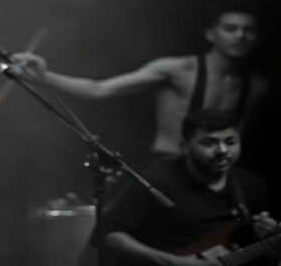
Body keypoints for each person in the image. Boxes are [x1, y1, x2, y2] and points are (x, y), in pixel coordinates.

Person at [1, 1, 268, 156]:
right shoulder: (177, 69)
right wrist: (43, 77)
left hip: (216, 175)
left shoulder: (257, 87)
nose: (240, 36)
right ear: (211, 33)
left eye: (248, 31)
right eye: (231, 29)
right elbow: (100, 89)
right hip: (169, 169)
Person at [102, 108, 279, 266]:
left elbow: (257, 252)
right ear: (185, 146)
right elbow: (109, 235)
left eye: (231, 141)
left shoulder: (252, 185)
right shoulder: (158, 180)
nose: (222, 150)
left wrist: (267, 236)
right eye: (209, 143)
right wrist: (177, 263)